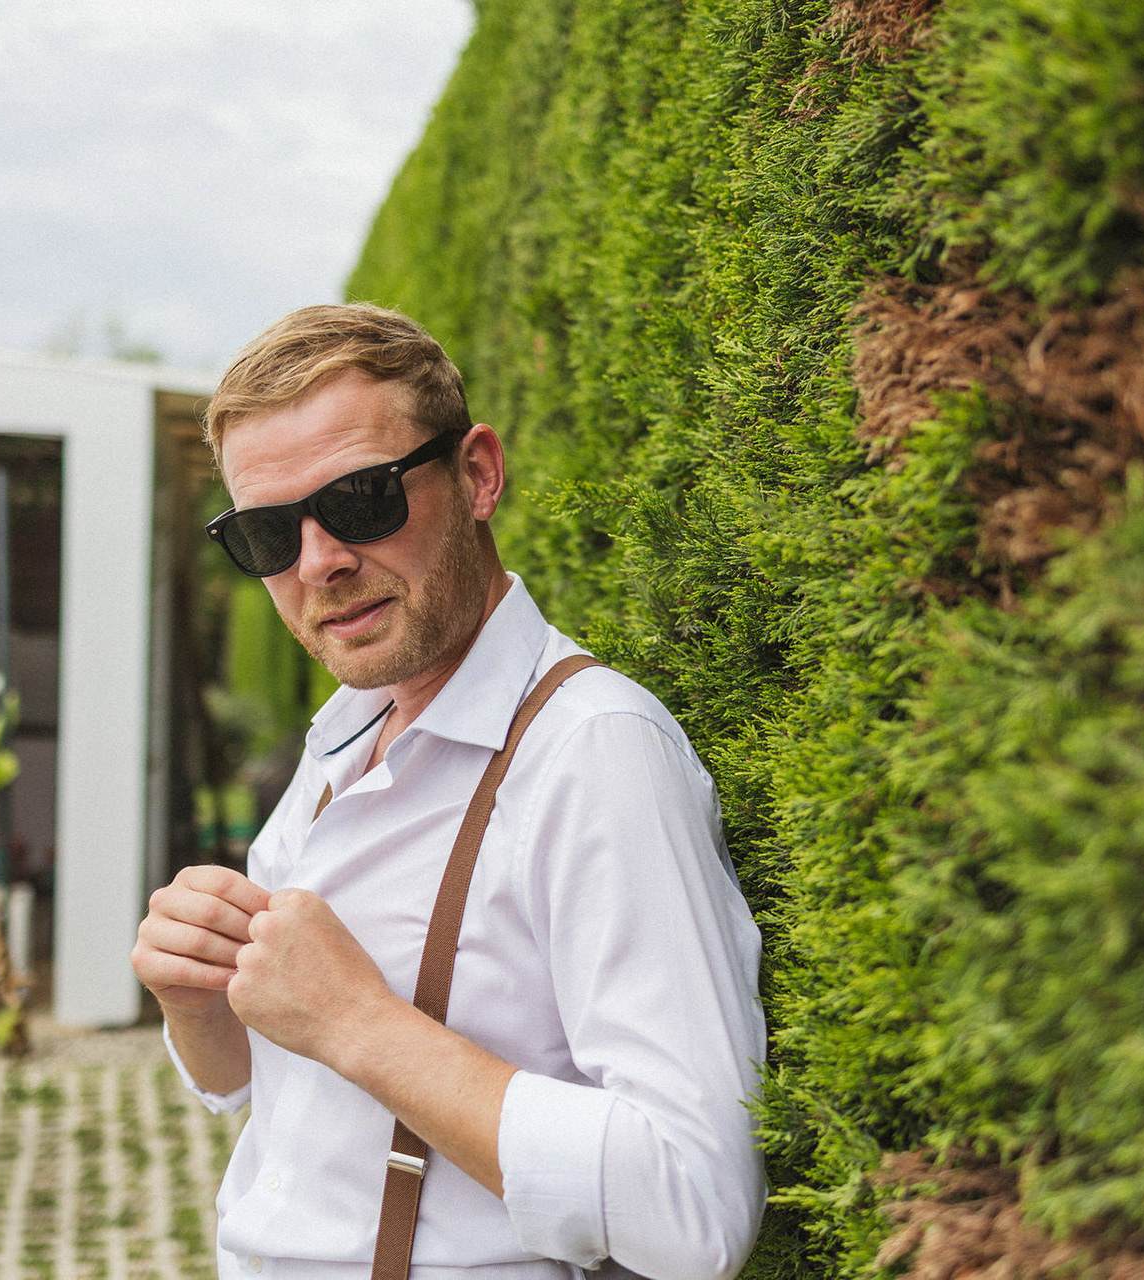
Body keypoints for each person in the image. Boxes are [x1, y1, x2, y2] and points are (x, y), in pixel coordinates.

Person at [131, 304, 767, 1280]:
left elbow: (696, 1203)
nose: (319, 562)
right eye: (267, 533)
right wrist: (198, 1000)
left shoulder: (593, 751)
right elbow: (268, 1091)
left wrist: (362, 1022)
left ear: (477, 474)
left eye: (361, 499)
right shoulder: (343, 734)